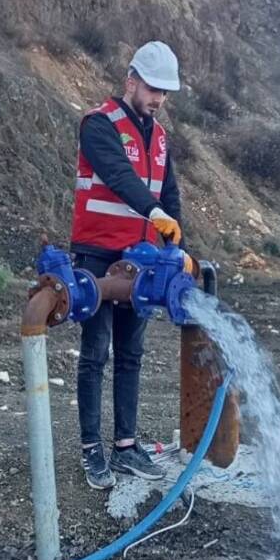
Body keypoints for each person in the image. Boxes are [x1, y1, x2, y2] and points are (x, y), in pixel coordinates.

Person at [70, 41, 191, 490]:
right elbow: (119, 176)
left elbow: (170, 196)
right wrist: (152, 211)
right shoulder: (99, 125)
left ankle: (125, 445)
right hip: (99, 254)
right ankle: (90, 449)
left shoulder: (160, 139)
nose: (158, 98)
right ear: (131, 81)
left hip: (142, 261)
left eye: (165, 92)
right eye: (153, 88)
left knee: (131, 355)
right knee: (95, 353)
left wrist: (178, 247)